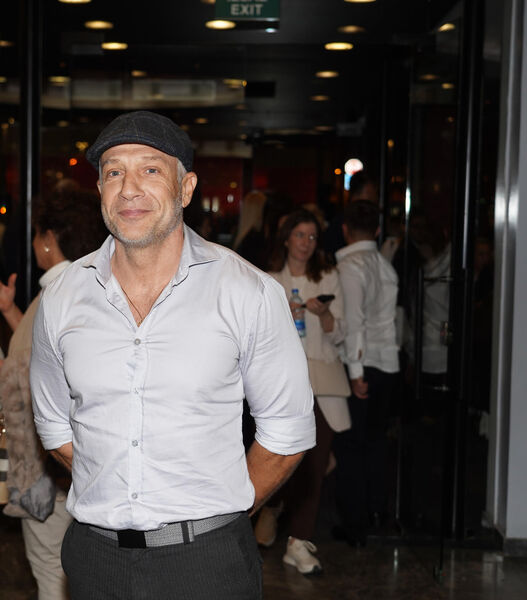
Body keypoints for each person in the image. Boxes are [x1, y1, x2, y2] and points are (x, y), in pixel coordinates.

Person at [29, 110, 315, 600]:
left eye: (150, 170)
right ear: (99, 189)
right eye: (114, 172)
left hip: (208, 565)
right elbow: (54, 425)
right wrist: (116, 485)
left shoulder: (247, 292)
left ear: (186, 189)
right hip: (96, 561)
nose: (129, 189)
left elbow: (287, 432)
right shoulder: (61, 297)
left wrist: (216, 514)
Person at [0, 184, 107, 600]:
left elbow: (37, 374)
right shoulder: (84, 288)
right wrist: (10, 311)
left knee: (51, 570)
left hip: (53, 468)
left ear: (48, 240)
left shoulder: (58, 294)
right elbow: (46, 354)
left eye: (36, 234)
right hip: (76, 466)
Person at [261, 209, 351, 575]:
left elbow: (341, 332)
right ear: (286, 238)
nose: (306, 243)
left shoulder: (328, 277)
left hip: (323, 381)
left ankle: (297, 541)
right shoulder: (269, 281)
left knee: (316, 462)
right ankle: (275, 505)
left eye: (312, 237)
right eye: (300, 235)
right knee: (288, 460)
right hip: (283, 382)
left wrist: (323, 315)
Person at [333, 200, 399, 547]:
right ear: (376, 230)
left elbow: (354, 323)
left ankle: (356, 524)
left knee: (352, 446)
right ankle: (376, 512)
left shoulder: (351, 266)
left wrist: (356, 372)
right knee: (374, 443)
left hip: (363, 363)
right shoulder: (384, 265)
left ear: (345, 229)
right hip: (387, 362)